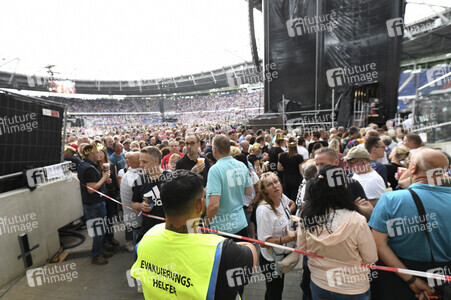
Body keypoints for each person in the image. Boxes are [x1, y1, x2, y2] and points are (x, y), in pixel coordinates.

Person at [130, 170, 258, 299]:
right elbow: (251, 255)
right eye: (204, 197)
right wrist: (239, 244)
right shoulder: (222, 250)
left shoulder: (147, 238)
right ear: (199, 205)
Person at [369, 148, 451, 300]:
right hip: (445, 281)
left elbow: (378, 244)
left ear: (413, 168)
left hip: (400, 282)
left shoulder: (391, 200)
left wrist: (412, 280)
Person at [298, 165, 378, 300]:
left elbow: (302, 248)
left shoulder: (307, 217)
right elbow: (371, 258)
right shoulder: (357, 221)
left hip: (320, 283)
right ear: (344, 187)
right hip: (353, 288)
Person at [256, 172, 297, 300]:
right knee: (275, 292)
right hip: (271, 261)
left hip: (282, 255)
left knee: (275, 290)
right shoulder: (264, 210)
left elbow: (292, 204)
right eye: (269, 184)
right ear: (264, 190)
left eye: (276, 181)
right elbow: (263, 242)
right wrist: (289, 238)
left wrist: (287, 220)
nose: (275, 186)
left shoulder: (280, 197)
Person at [205, 134, 253, 235]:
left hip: (222, 227)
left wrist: (206, 223)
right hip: (240, 222)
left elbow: (214, 205)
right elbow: (249, 191)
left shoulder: (215, 169)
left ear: (214, 149)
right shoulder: (241, 165)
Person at [76, 144, 112, 265]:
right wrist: (104, 177)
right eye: (96, 153)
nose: (99, 154)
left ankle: (99, 251)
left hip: (91, 203)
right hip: (94, 203)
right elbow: (91, 189)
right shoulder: (89, 168)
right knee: (99, 230)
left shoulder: (84, 164)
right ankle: (96, 255)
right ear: (91, 154)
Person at [131, 146, 171, 240]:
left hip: (168, 231)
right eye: (140, 161)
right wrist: (141, 206)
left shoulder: (171, 178)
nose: (141, 165)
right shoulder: (139, 181)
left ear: (156, 161)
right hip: (148, 231)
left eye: (144, 162)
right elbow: (133, 203)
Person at [96, 144, 120, 249]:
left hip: (111, 194)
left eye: (101, 152)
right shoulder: (95, 167)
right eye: (98, 153)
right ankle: (105, 241)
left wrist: (117, 190)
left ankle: (111, 237)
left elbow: (115, 178)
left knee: (110, 217)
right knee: (103, 220)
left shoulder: (111, 166)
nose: (100, 155)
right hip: (101, 196)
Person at [120, 151, 142, 254]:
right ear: (135, 163)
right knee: (140, 248)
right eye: (141, 160)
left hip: (131, 218)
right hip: (137, 219)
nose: (143, 163)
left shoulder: (128, 174)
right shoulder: (136, 178)